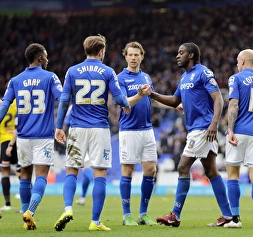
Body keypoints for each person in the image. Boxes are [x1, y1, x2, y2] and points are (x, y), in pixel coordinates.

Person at [53, 34, 131, 232]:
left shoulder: (72, 71)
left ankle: (68, 208)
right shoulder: (107, 71)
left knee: (72, 169)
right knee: (100, 173)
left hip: (77, 128)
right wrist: (128, 104)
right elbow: (119, 98)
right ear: (101, 51)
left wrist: (59, 126)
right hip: (99, 128)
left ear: (85, 49)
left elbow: (64, 101)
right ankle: (95, 221)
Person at [151, 42, 232, 227]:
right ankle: (228, 216)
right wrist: (152, 95)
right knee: (211, 171)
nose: (177, 56)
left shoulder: (203, 72)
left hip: (203, 128)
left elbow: (218, 98)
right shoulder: (184, 77)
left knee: (182, 166)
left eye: (181, 53)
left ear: (192, 55)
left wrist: (214, 123)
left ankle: (175, 214)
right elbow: (174, 100)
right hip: (196, 128)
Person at [0, 43, 62, 229]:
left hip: (23, 136)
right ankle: (30, 212)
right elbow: (63, 98)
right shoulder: (50, 77)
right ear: (40, 58)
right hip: (42, 135)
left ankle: (27, 219)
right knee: (41, 175)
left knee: (25, 175)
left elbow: (4, 106)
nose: (48, 58)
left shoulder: (15, 81)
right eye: (46, 55)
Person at [223, 49, 253, 229]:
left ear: (243, 61)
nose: (237, 63)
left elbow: (233, 104)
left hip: (239, 131)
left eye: (237, 60)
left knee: (233, 174)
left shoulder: (236, 78)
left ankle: (235, 219)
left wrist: (230, 129)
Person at [117, 41, 158, 226]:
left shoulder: (146, 77)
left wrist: (176, 106)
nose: (133, 58)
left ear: (142, 56)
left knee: (151, 169)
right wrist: (140, 95)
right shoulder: (120, 78)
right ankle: (126, 215)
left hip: (147, 129)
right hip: (129, 130)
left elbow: (153, 99)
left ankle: (143, 214)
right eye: (130, 55)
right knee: (128, 170)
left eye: (136, 55)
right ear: (125, 56)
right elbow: (125, 103)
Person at [0, 99, 18, 212]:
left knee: (5, 171)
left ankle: (7, 204)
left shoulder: (3, 104)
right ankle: (28, 203)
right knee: (22, 170)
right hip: (19, 138)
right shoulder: (17, 102)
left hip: (5, 140)